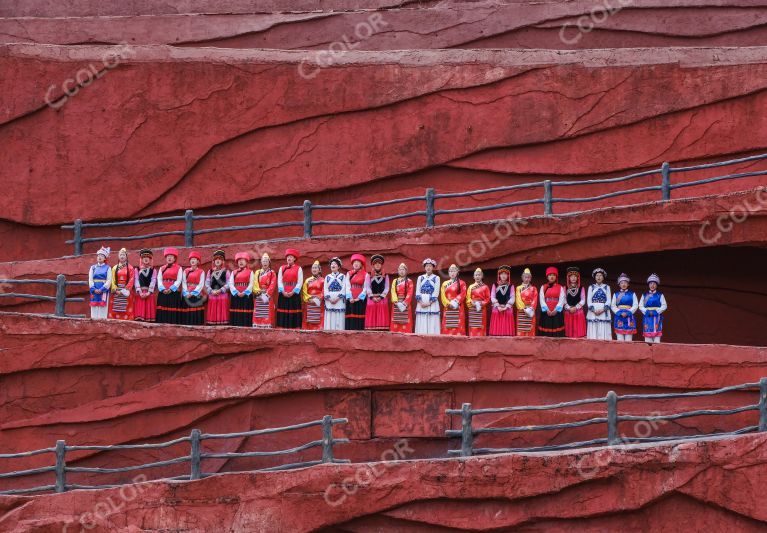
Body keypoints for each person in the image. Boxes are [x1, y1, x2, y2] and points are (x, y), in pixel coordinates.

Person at [276, 249, 304, 329]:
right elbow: (279, 281)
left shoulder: (298, 268)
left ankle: (294, 328)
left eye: (291, 257)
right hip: (283, 294)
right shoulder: (282, 268)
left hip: (294, 294)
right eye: (288, 257)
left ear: (294, 258)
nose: (289, 258)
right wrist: (283, 291)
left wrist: (293, 291)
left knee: (293, 312)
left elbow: (300, 282)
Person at [156, 247, 183, 324]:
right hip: (163, 292)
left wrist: (171, 289)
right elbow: (159, 279)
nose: (169, 258)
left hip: (174, 292)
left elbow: (179, 280)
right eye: (168, 256)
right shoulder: (162, 268)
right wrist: (163, 289)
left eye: (171, 256)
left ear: (175, 258)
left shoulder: (179, 268)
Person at [415, 258, 441, 335]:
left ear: (433, 267)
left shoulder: (436, 278)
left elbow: (436, 292)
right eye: (427, 266)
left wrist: (429, 303)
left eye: (430, 266)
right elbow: (417, 291)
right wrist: (420, 302)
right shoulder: (420, 277)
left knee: (432, 319)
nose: (428, 268)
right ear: (425, 267)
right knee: (422, 319)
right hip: (421, 302)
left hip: (432, 302)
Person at [639, 274, 667, 343]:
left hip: (657, 317)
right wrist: (647, 311)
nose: (652, 285)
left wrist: (656, 311)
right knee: (648, 339)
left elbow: (664, 305)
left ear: (656, 285)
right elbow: (640, 306)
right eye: (651, 283)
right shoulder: (644, 295)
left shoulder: (660, 295)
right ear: (648, 285)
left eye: (654, 283)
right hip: (647, 317)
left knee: (657, 338)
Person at [364, 254, 390, 331]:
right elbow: (367, 287)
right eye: (376, 263)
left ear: (381, 265)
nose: (377, 265)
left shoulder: (385, 276)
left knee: (382, 310)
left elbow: (387, 287)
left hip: (382, 298)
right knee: (371, 307)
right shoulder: (369, 275)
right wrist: (372, 297)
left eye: (379, 263)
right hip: (371, 298)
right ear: (373, 265)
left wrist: (381, 297)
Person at [538, 266, 565, 337]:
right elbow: (541, 299)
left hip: (557, 313)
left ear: (556, 276)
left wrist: (556, 310)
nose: (552, 277)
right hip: (546, 312)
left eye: (553, 275)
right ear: (547, 277)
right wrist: (547, 310)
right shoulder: (543, 287)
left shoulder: (560, 287)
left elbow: (562, 300)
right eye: (550, 275)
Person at [108, 247, 135, 320]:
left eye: (123, 255)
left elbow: (132, 279)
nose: (122, 256)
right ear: (118, 256)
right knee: (115, 308)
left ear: (126, 256)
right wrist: (115, 289)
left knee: (127, 308)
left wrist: (124, 290)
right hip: (116, 290)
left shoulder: (130, 268)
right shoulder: (114, 268)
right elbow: (112, 280)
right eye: (120, 255)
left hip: (126, 290)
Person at [228, 252, 254, 327]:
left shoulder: (250, 272)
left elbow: (251, 284)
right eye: (239, 260)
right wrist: (236, 292)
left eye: (243, 260)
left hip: (246, 296)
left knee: (246, 313)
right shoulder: (234, 272)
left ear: (246, 262)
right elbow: (231, 283)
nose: (241, 262)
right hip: (236, 296)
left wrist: (245, 292)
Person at [440, 264, 467, 336]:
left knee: (458, 324)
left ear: (457, 272)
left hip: (458, 306)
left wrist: (455, 302)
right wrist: (448, 304)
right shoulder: (444, 284)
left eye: (454, 271)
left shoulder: (462, 283)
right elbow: (442, 296)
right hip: (448, 306)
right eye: (450, 271)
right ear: (448, 273)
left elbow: (463, 293)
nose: (452, 273)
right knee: (447, 324)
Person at [205, 250, 230, 326]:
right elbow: (207, 283)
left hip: (222, 295)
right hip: (212, 295)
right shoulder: (210, 271)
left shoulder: (226, 271)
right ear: (214, 261)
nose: (217, 261)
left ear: (223, 261)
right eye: (216, 259)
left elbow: (229, 283)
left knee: (221, 311)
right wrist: (211, 291)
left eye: (219, 259)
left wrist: (221, 290)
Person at [344, 254, 369, 331]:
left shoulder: (366, 274)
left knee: (359, 316)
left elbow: (366, 288)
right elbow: (347, 286)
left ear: (361, 264)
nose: (356, 264)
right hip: (350, 298)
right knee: (350, 316)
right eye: (354, 262)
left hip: (360, 299)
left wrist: (359, 298)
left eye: (358, 262)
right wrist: (350, 297)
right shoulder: (349, 273)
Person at [489, 265, 515, 336]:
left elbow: (512, 297)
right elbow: (492, 296)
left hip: (507, 308)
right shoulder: (495, 285)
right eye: (502, 274)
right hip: (497, 308)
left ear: (508, 275)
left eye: (505, 274)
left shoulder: (511, 286)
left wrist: (506, 306)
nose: (503, 275)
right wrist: (498, 306)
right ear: (499, 275)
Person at [253, 253, 277, 329]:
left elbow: (273, 284)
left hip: (267, 296)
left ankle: (267, 325)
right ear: (261, 262)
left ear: (269, 262)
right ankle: (257, 324)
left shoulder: (272, 273)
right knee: (259, 312)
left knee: (267, 312)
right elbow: (255, 283)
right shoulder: (257, 272)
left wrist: (267, 294)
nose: (265, 263)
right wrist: (259, 292)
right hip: (259, 295)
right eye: (263, 261)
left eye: (266, 261)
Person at [611, 273, 638, 341]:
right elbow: (613, 305)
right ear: (619, 284)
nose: (623, 284)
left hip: (629, 316)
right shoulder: (616, 294)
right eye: (622, 283)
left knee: (628, 340)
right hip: (619, 316)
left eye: (625, 283)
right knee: (620, 340)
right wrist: (619, 313)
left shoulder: (632, 294)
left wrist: (629, 312)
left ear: (628, 284)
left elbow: (635, 305)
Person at [181, 251, 206, 326]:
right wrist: (186, 292)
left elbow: (201, 284)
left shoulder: (201, 271)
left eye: (195, 259)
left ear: (198, 261)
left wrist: (193, 293)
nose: (193, 260)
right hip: (187, 293)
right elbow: (184, 282)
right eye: (191, 259)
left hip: (196, 294)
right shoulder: (186, 271)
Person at [587, 268, 612, 340]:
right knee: (593, 327)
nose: (598, 277)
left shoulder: (607, 287)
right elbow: (589, 300)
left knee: (603, 327)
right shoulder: (591, 287)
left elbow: (609, 300)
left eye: (600, 275)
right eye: (597, 275)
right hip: (593, 310)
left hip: (603, 310)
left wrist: (603, 310)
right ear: (595, 277)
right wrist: (593, 310)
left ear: (603, 277)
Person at [88, 246, 112, 320]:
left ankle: (102, 320)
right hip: (94, 289)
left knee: (103, 307)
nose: (99, 257)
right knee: (94, 306)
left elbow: (109, 280)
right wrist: (93, 288)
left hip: (103, 290)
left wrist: (102, 289)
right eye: (98, 256)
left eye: (102, 256)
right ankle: (94, 320)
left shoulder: (108, 268)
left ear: (105, 258)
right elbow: (90, 279)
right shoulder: (93, 268)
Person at [390, 262, 414, 334]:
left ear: (406, 271)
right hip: (396, 302)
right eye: (400, 269)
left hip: (405, 303)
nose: (402, 271)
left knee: (405, 319)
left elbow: (410, 292)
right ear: (398, 271)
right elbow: (393, 291)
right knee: (395, 319)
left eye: (403, 269)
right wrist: (396, 301)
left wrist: (404, 303)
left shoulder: (409, 281)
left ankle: (406, 332)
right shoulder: (395, 281)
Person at [134, 249, 157, 322]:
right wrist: (140, 292)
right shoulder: (137, 269)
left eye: (148, 258)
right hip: (140, 293)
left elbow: (153, 280)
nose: (146, 259)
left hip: (149, 293)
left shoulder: (153, 270)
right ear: (141, 259)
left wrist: (149, 292)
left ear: (150, 259)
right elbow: (136, 280)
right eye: (144, 257)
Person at [466, 268, 490, 337]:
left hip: (481, 309)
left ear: (482, 276)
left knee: (481, 326)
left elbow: (488, 298)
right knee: (473, 326)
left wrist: (481, 303)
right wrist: (472, 302)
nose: (477, 276)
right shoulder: (471, 287)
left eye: (479, 275)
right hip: (473, 308)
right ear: (473, 277)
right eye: (476, 275)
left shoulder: (485, 287)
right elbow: (468, 297)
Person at [323, 257, 346, 331]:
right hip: (329, 299)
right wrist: (329, 299)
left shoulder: (342, 276)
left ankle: (339, 330)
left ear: (339, 266)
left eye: (335, 264)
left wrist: (337, 298)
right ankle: (328, 330)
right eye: (332, 264)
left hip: (339, 299)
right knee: (330, 315)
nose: (333, 265)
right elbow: (325, 288)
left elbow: (344, 288)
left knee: (339, 315)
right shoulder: (327, 277)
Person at [563, 266, 586, 338]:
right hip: (568, 311)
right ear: (568, 278)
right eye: (571, 276)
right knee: (568, 332)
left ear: (578, 278)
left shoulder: (581, 288)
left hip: (578, 312)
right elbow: (563, 299)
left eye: (575, 276)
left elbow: (583, 300)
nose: (573, 278)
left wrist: (576, 307)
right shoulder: (565, 288)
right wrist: (569, 308)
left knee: (578, 332)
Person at [302, 260, 325, 330]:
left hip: (319, 302)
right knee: (308, 318)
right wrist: (309, 298)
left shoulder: (323, 280)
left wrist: (318, 298)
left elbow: (324, 291)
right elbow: (304, 291)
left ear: (319, 270)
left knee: (319, 319)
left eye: (316, 268)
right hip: (309, 302)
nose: (314, 269)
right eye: (313, 268)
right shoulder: (307, 280)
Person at [515, 268, 538, 337]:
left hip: (530, 310)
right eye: (525, 277)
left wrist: (531, 308)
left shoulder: (534, 288)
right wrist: (523, 308)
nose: (527, 279)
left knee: (530, 327)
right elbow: (518, 298)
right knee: (521, 327)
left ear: (530, 278)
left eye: (528, 277)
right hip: (521, 310)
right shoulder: (518, 288)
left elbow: (535, 298)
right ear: (522, 278)